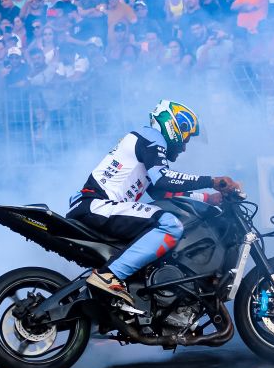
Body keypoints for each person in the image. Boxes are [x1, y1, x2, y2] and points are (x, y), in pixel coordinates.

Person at [67, 100, 240, 306]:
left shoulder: (145, 143)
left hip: (98, 206)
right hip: (97, 205)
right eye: (185, 138)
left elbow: (162, 192)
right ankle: (109, 275)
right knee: (170, 225)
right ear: (176, 126)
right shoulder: (151, 138)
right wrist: (211, 181)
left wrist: (207, 198)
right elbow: (164, 178)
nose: (184, 148)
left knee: (162, 219)